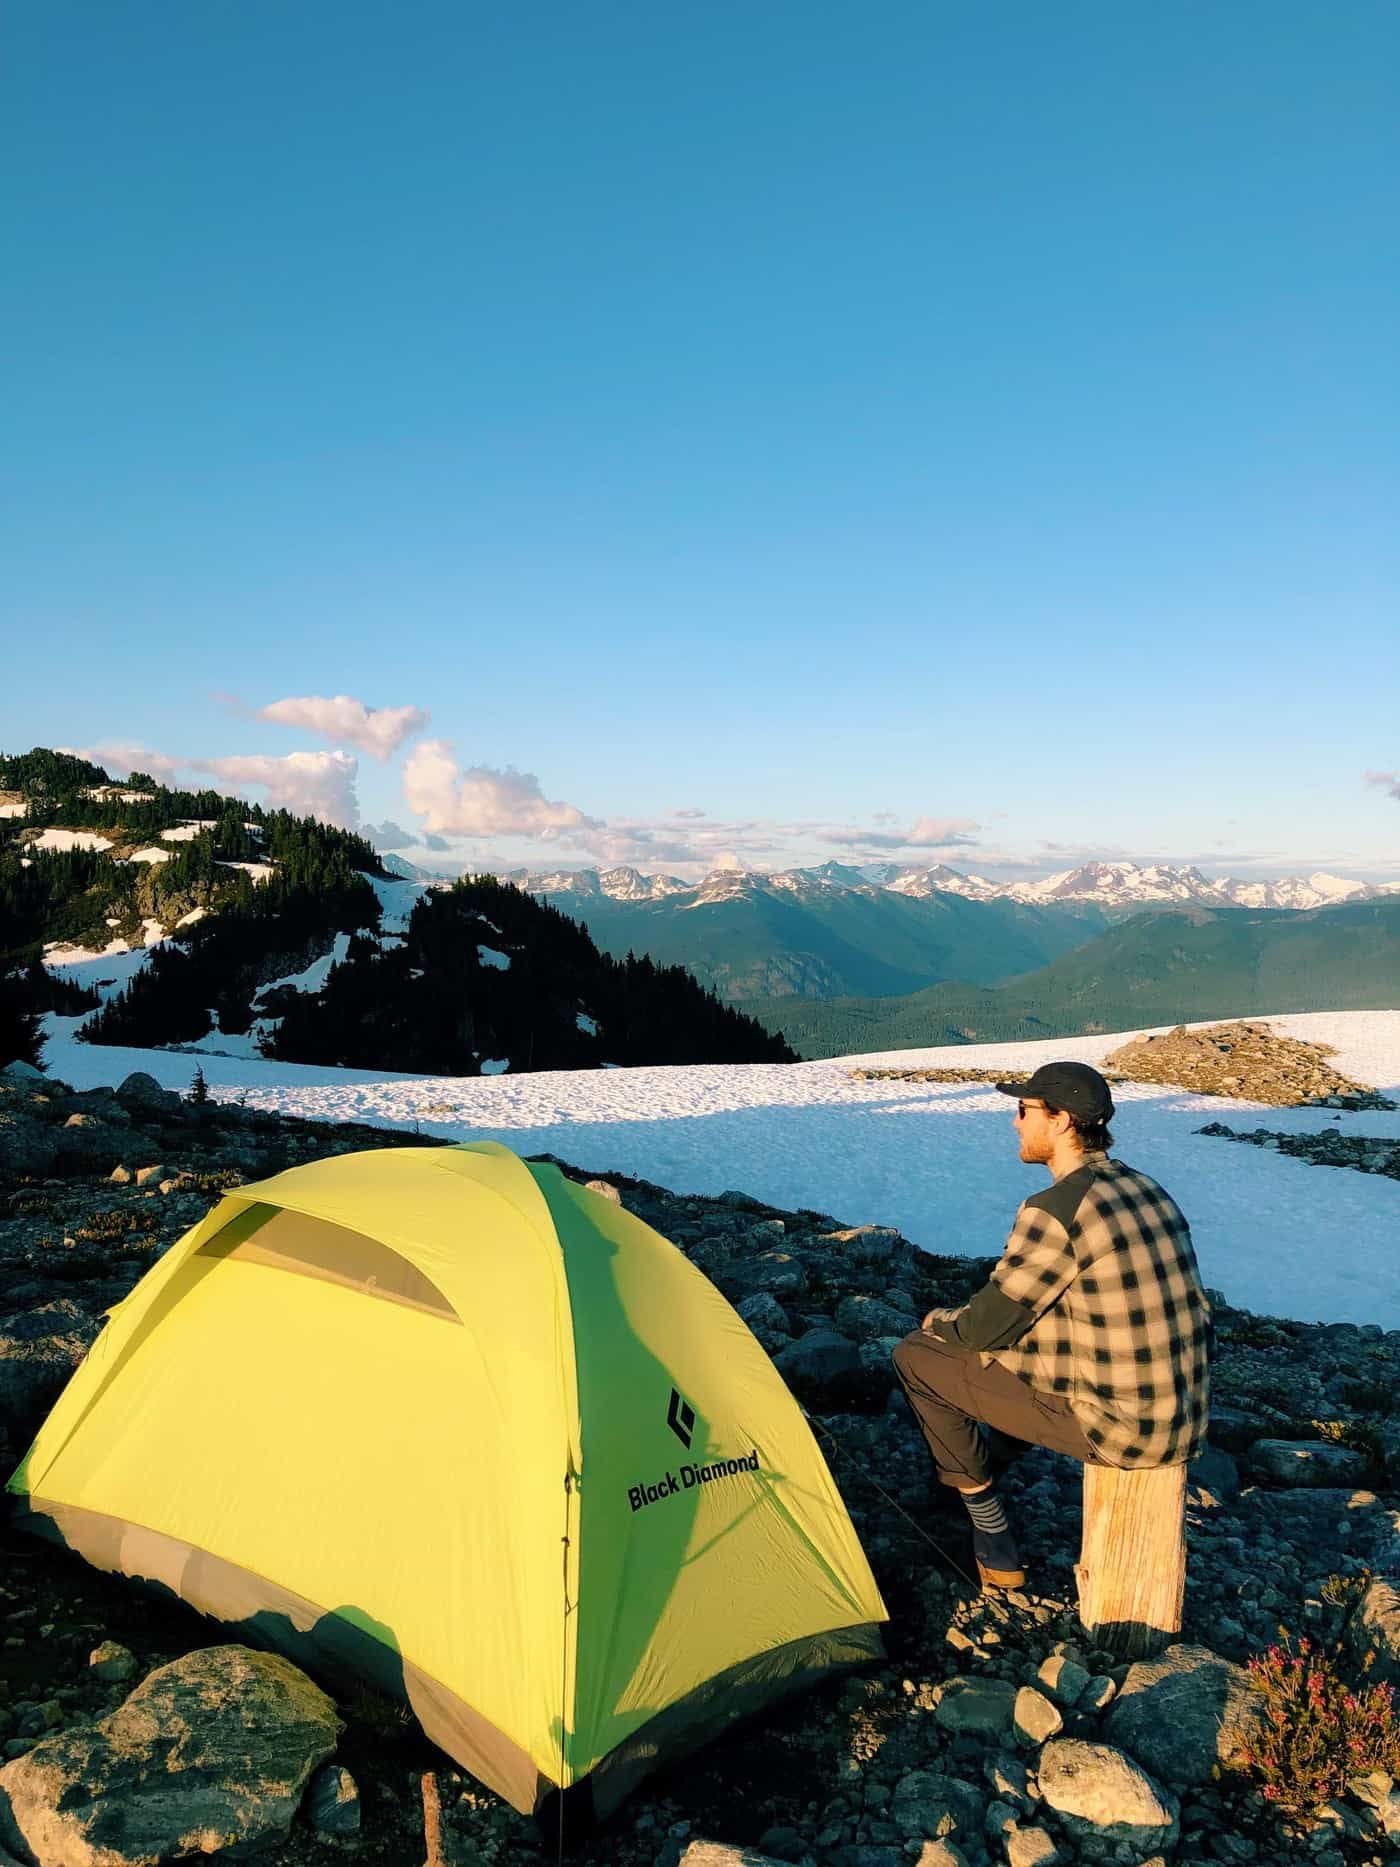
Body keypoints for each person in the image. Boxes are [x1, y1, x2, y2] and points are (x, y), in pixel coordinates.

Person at [891, 1060, 1211, 1591]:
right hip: (1183, 1411)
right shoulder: (1145, 1188)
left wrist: (938, 1321)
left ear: (1060, 1121)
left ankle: (989, 1530)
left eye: (1024, 1110)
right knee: (1018, 1352)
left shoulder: (1056, 1209)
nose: (1016, 1122)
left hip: (1123, 1429)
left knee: (918, 1358)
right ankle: (989, 1460)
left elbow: (984, 1328)